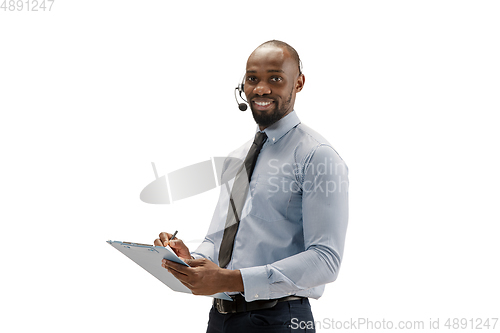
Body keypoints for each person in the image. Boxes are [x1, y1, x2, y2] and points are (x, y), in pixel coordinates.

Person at [154, 40, 349, 333]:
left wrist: (230, 280)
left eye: (275, 78)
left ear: (298, 83)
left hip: (280, 320)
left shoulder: (317, 156)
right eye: (252, 78)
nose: (260, 89)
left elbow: (325, 260)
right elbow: (218, 241)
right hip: (220, 319)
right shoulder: (237, 157)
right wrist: (190, 259)